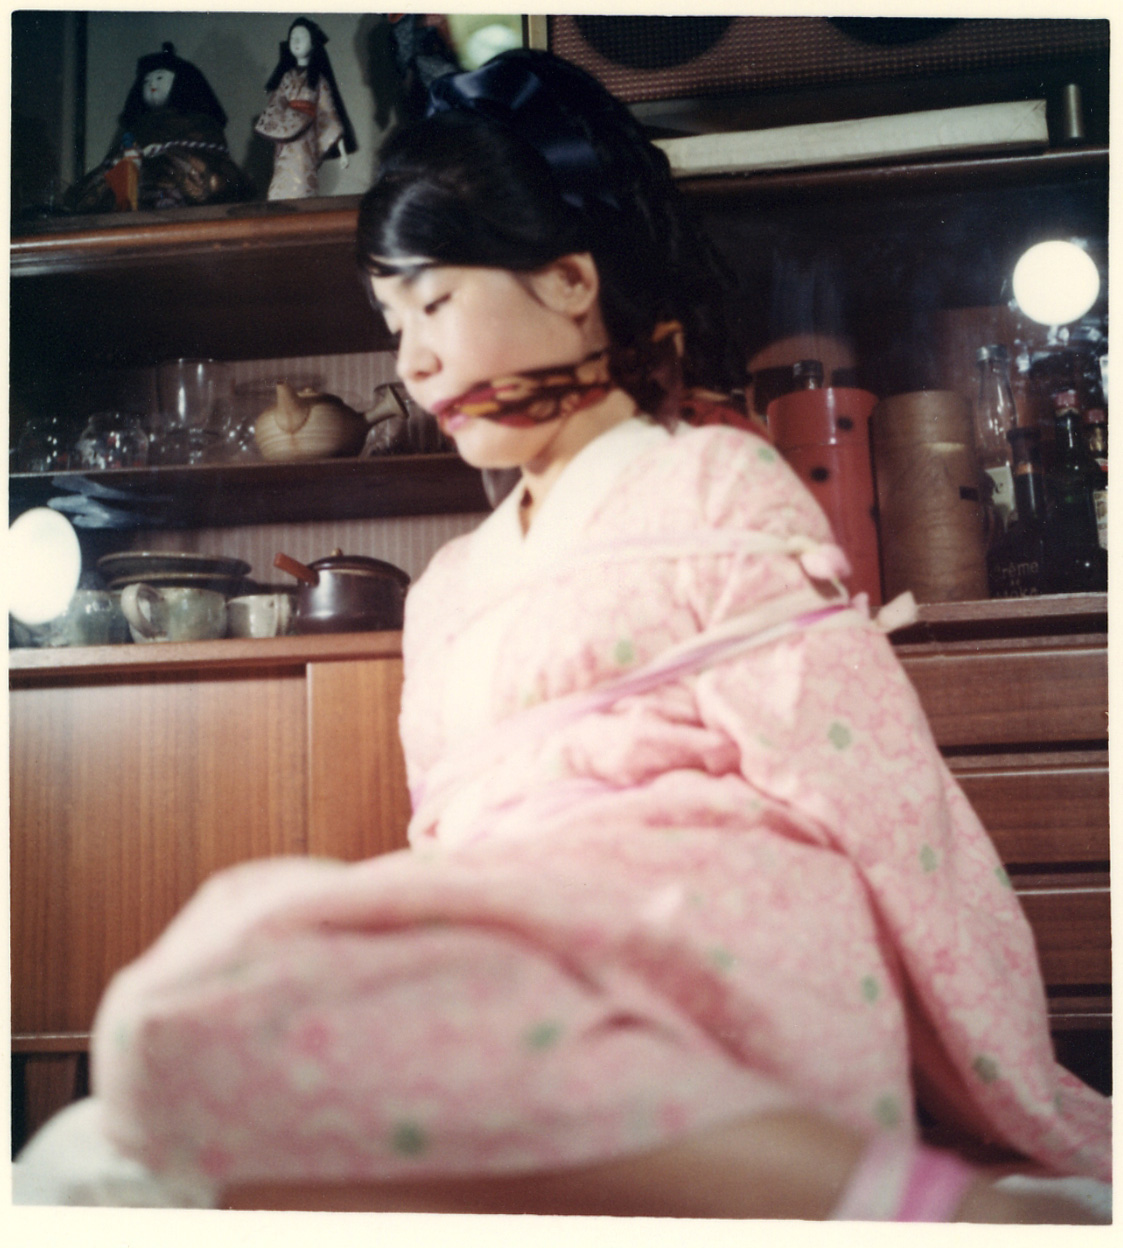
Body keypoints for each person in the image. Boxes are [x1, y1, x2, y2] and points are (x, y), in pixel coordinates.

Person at [15, 49, 1110, 1221]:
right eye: (391, 320)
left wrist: (1000, 1074)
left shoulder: (715, 481)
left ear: (572, 281)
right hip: (524, 956)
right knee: (121, 1108)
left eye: (434, 302)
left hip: (719, 946)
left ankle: (928, 1206)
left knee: (195, 1017)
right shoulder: (449, 589)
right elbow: (449, 851)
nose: (411, 361)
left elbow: (877, 792)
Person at [256, 17, 357, 200]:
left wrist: (342, 152)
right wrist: (278, 124)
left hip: (306, 136)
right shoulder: (287, 77)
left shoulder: (318, 80)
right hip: (286, 137)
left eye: (301, 37)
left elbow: (329, 114)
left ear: (313, 43)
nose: (295, 41)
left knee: (302, 175)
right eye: (292, 37)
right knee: (281, 176)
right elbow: (276, 103)